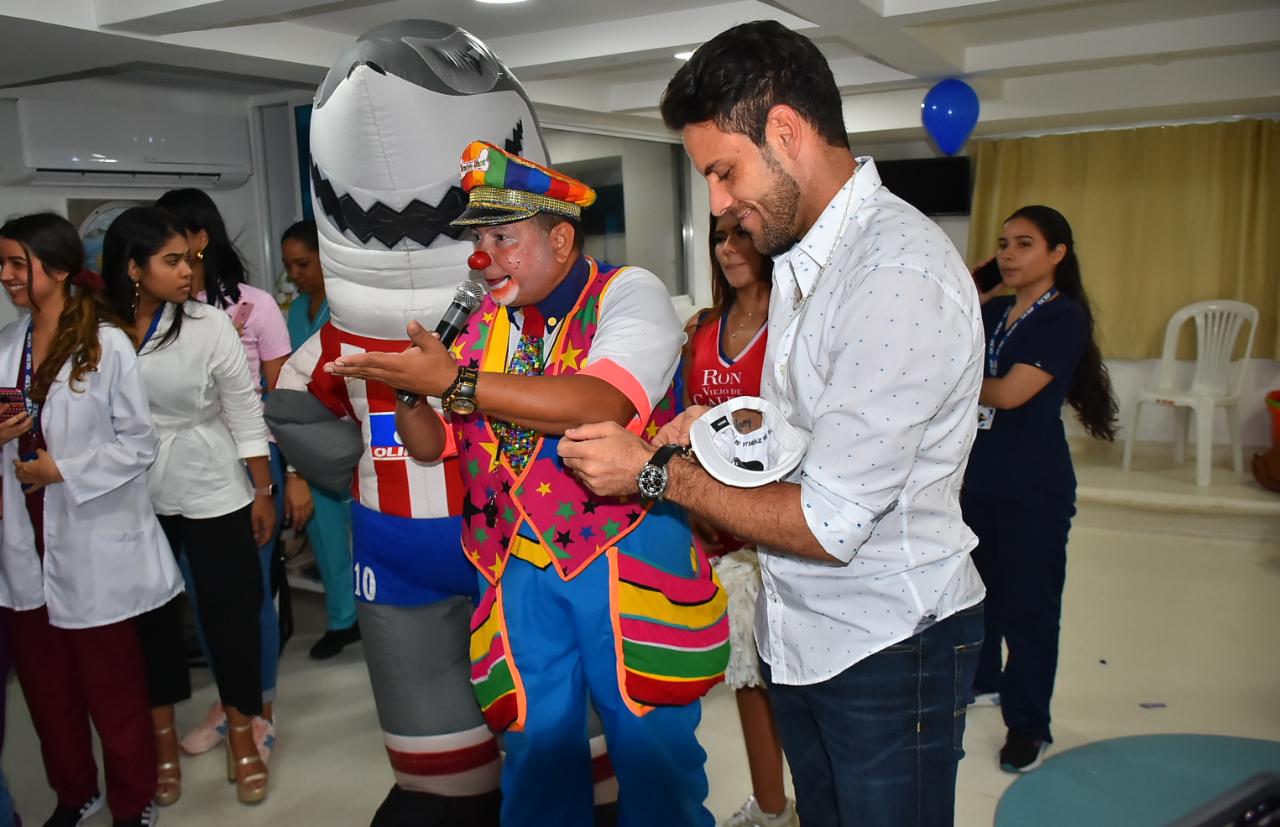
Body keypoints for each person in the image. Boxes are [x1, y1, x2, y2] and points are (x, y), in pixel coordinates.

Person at [557, 20, 987, 827]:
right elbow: (799, 435)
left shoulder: (891, 274)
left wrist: (654, 473)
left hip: (891, 642)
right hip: (806, 632)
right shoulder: (802, 260)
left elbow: (829, 521)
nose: (720, 205)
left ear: (785, 132)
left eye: (724, 172)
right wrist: (710, 432)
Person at [325, 140, 730, 827]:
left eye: (503, 237)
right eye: (479, 239)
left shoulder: (629, 293)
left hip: (621, 554)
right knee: (535, 755)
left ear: (562, 237)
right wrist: (409, 398)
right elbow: (431, 450)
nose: (483, 258)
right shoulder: (483, 324)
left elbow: (602, 400)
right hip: (511, 564)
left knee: (652, 755)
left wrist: (454, 380)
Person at [0, 212, 182, 827]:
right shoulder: (5, 347)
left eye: (17, 265)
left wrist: (63, 470)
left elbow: (138, 443)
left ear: (54, 268)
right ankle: (76, 794)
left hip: (90, 536)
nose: (6, 277)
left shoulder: (107, 344)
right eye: (2, 265)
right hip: (25, 544)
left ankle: (133, 804)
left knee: (113, 692)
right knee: (49, 695)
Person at [101, 206, 274, 805]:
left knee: (231, 611)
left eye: (191, 259)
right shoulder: (96, 332)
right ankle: (163, 740)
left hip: (210, 479)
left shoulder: (207, 324)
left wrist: (263, 487)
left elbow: (244, 408)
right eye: (171, 261)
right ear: (132, 267)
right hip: (129, 490)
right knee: (149, 622)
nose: (188, 272)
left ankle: (243, 735)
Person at [962, 205, 1117, 772]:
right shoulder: (1000, 307)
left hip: (1034, 487)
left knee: (1029, 610)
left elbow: (1005, 394)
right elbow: (946, 317)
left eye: (1025, 244)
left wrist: (950, 379)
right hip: (981, 479)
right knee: (979, 595)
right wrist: (977, 281)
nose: (1009, 253)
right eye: (1003, 243)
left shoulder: (1063, 318)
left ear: (1058, 254)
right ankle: (983, 682)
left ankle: (1030, 725)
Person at [153, 189, 293, 759]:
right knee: (202, 595)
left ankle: (258, 708)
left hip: (254, 462)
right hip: (182, 473)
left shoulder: (254, 305)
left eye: (174, 245)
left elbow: (282, 400)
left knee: (248, 596)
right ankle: (229, 702)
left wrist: (293, 478)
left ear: (199, 241)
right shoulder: (158, 317)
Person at [683, 213, 793, 827]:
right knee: (747, 681)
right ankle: (772, 808)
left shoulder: (796, 324)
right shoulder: (702, 330)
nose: (727, 248)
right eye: (719, 237)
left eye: (740, 234)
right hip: (717, 536)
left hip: (785, 536)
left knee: (799, 687)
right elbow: (685, 427)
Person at [280, 219, 360, 659]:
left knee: (365, 533)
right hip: (312, 438)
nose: (296, 274)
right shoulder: (295, 312)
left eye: (304, 263)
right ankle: (342, 620)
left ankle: (380, 615)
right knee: (325, 534)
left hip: (355, 432)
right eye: (290, 266)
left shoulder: (349, 307)